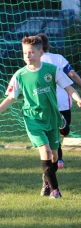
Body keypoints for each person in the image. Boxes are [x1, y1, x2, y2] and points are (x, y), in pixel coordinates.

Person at [0, 36, 81, 198]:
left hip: (52, 118)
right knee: (45, 151)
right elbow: (10, 98)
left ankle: (46, 180)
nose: (27, 56)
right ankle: (55, 190)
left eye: (31, 52)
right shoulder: (19, 75)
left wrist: (78, 99)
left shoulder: (51, 70)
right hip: (33, 119)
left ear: (41, 53)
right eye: (24, 53)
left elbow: (68, 87)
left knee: (55, 156)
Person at [38, 33, 81, 169]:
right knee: (62, 130)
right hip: (62, 100)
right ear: (49, 45)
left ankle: (58, 159)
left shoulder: (35, 60)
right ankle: (59, 157)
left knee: (50, 131)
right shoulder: (59, 58)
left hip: (44, 101)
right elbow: (72, 74)